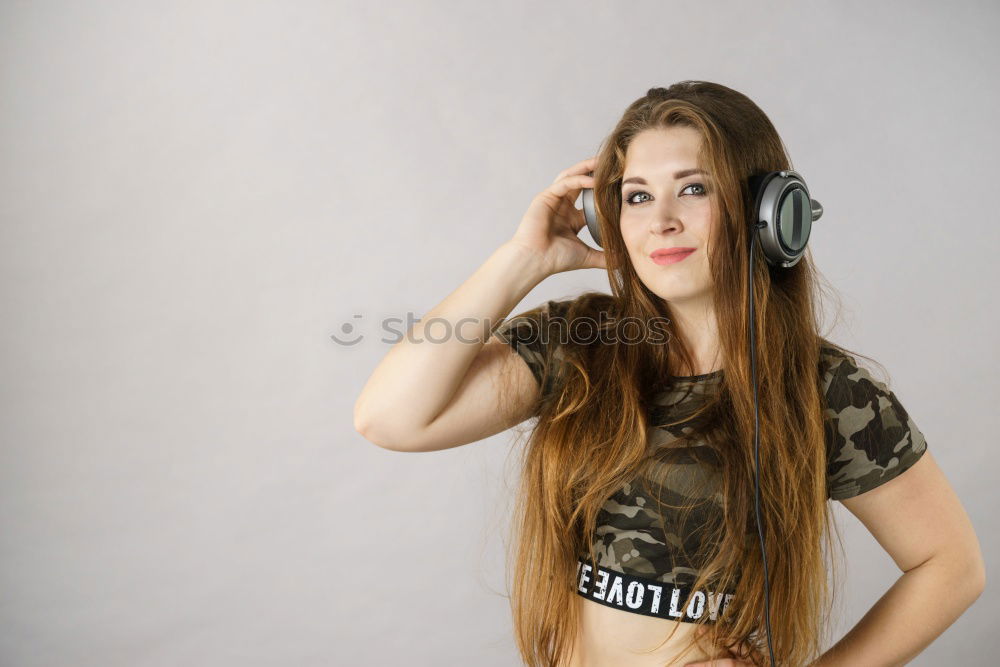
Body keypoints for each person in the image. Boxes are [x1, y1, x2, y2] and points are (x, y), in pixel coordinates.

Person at [353, 81, 985, 667]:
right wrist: (520, 261)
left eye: (693, 188)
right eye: (635, 196)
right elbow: (391, 418)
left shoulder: (828, 390)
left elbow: (951, 564)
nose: (660, 221)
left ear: (771, 212)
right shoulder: (583, 341)